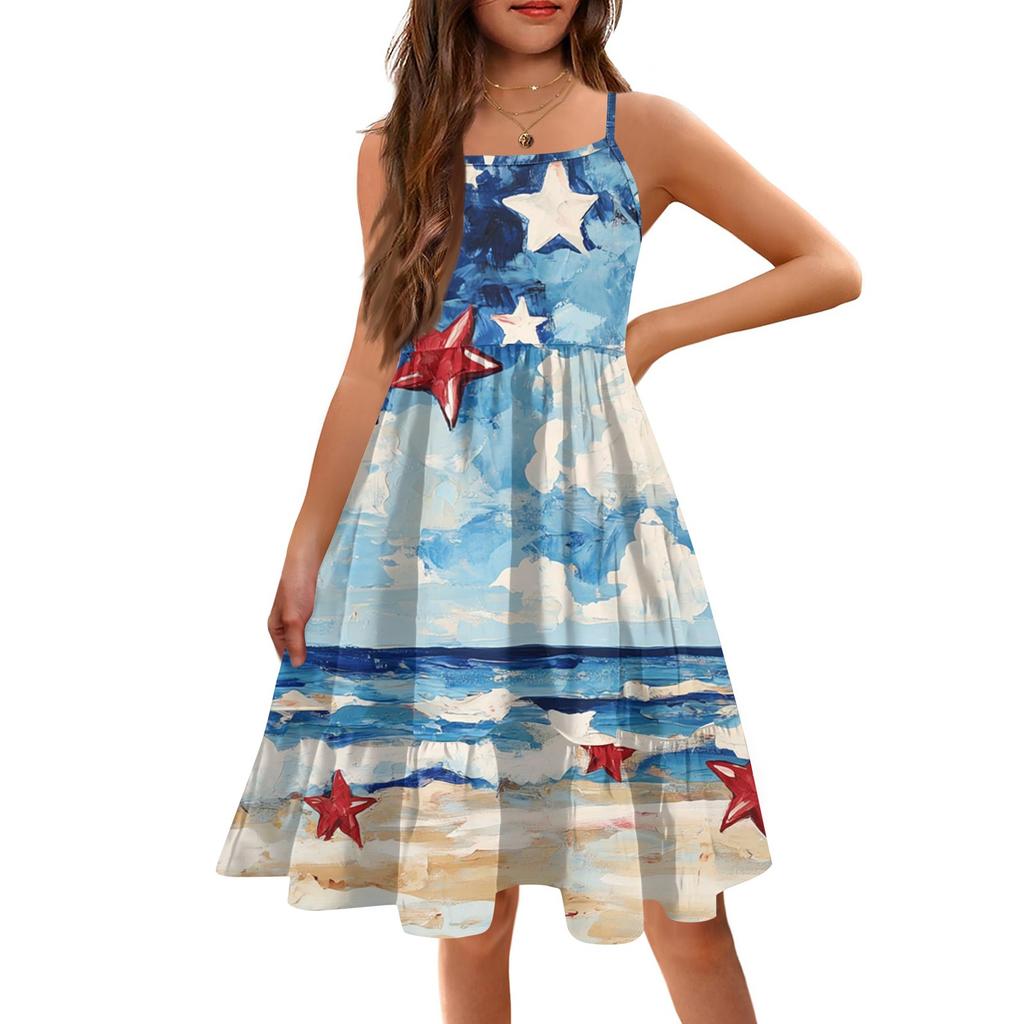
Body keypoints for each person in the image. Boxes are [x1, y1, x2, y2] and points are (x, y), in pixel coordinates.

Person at [217, 2, 861, 1021]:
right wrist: (306, 547)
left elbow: (827, 265)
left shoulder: (642, 128)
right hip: (439, 535)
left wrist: (650, 333)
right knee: (470, 891)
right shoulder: (398, 147)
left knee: (677, 889)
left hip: (596, 523)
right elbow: (371, 362)